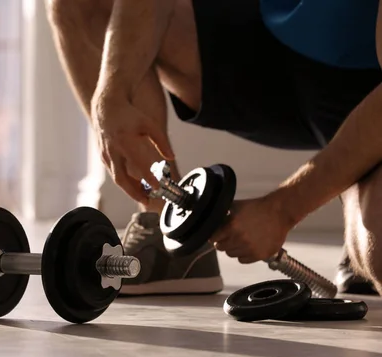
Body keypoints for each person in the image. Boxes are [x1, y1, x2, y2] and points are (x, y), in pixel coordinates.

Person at [45, 0, 382, 296]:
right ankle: (169, 237)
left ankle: (358, 190)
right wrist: (112, 96)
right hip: (276, 47)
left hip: (371, 86)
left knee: (378, 250)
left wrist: (283, 208)